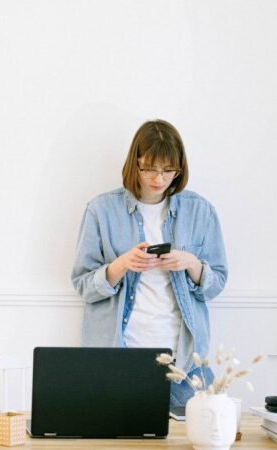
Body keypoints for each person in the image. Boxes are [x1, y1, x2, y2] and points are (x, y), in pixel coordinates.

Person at [71, 119, 228, 407]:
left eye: (169, 170)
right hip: (118, 358)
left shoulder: (200, 211)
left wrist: (191, 263)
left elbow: (216, 283)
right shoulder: (101, 210)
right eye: (149, 168)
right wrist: (122, 264)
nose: (159, 178)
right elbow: (83, 285)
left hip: (184, 363)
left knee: (198, 431)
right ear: (135, 162)